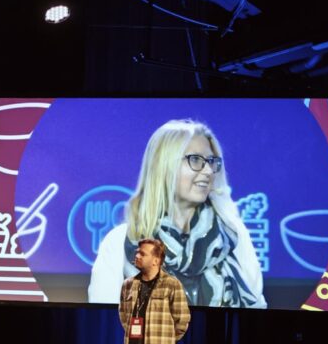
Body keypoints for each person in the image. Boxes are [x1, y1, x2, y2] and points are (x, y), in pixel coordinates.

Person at [89, 119, 265, 308]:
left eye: (211, 162)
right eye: (195, 160)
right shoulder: (121, 241)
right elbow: (103, 318)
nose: (207, 171)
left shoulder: (232, 235)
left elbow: (257, 311)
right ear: (164, 167)